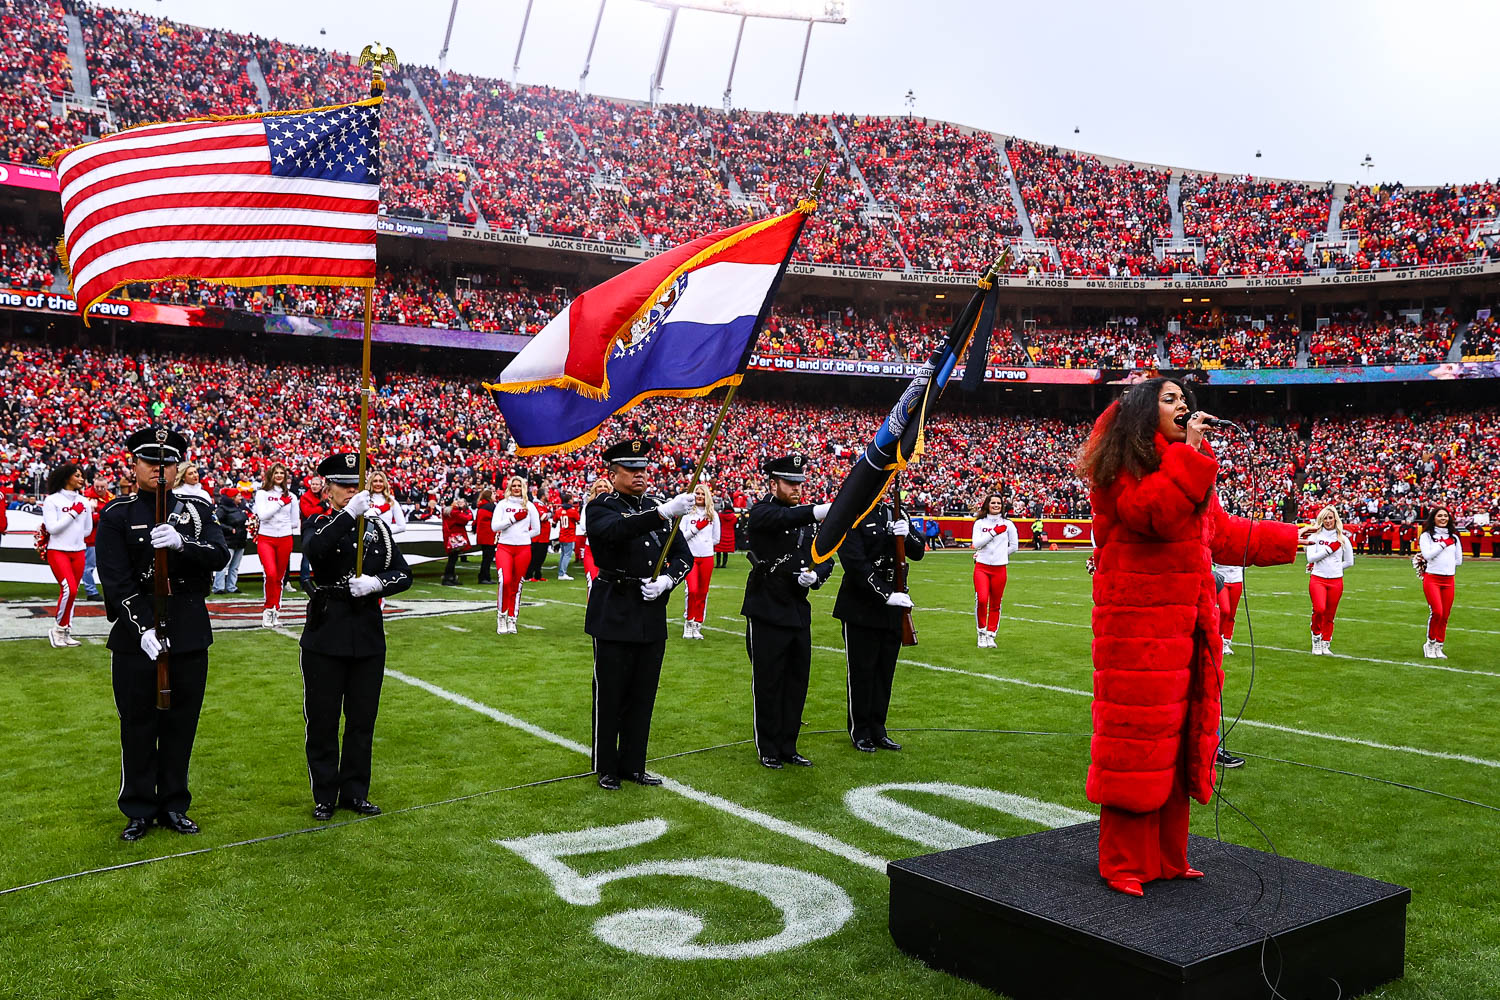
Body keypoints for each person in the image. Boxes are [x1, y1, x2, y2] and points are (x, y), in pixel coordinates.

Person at [1077, 378, 1305, 896]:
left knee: (1179, 743)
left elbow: (1218, 534)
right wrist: (1192, 454)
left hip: (1186, 626)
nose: (1184, 407)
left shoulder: (1186, 465)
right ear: (1142, 412)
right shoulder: (1120, 467)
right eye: (1170, 399)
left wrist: (1293, 537)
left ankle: (1166, 859)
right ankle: (1123, 863)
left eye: (1185, 399)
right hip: (1138, 633)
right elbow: (1151, 515)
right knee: (1137, 746)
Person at [96, 428, 229, 841]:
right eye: (150, 461)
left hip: (188, 629)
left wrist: (182, 545)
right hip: (138, 636)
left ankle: (173, 804)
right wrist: (143, 626)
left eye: (167, 462)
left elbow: (219, 554)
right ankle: (137, 807)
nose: (159, 468)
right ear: (133, 465)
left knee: (180, 725)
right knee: (137, 724)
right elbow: (115, 580)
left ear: (177, 468)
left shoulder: (196, 511)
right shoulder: (117, 514)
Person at [300, 452, 412, 820]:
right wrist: (348, 515)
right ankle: (324, 794)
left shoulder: (377, 528)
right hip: (327, 631)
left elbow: (403, 573)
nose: (351, 492)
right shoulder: (319, 521)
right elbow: (316, 552)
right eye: (344, 487)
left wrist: (378, 583)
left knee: (362, 719)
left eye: (355, 486)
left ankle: (355, 791)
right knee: (323, 719)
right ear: (327, 489)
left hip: (366, 634)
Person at [583, 438, 694, 789]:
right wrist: (661, 514)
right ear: (612, 474)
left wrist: (667, 581)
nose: (639, 475)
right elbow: (616, 531)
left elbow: (683, 556)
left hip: (649, 610)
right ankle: (606, 766)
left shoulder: (658, 506)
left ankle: (634, 764)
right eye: (630, 470)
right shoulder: (601, 506)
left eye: (643, 469)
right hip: (615, 606)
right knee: (611, 692)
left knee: (643, 693)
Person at [741, 454, 833, 769]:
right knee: (768, 681)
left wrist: (816, 575)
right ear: (773, 483)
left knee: (796, 682)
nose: (796, 488)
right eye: (790, 483)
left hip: (796, 607)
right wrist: (816, 512)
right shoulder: (762, 511)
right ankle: (768, 747)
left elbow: (826, 554)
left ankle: (788, 745)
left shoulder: (803, 516)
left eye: (799, 483)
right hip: (766, 606)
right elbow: (780, 520)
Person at [834, 490, 925, 753]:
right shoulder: (854, 515)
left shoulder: (895, 512)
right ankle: (860, 730)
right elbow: (854, 563)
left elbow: (918, 552)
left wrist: (907, 533)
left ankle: (878, 728)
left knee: (885, 672)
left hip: (894, 605)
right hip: (861, 605)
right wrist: (886, 595)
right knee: (862, 672)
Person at [42, 462, 91, 648]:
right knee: (69, 589)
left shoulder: (84, 501)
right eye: (77, 475)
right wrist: (72, 513)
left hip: (78, 551)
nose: (81, 479)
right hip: (58, 550)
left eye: (82, 476)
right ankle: (58, 630)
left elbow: (87, 530)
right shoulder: (52, 500)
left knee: (73, 592)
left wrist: (76, 515)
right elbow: (52, 528)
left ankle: (66, 630)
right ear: (66, 477)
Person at [492, 475, 540, 634]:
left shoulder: (530, 506)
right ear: (509, 487)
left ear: (523, 488)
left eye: (519, 485)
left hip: (523, 549)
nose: (517, 488)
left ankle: (512, 618)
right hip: (505, 547)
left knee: (517, 584)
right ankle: (501, 616)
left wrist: (523, 536)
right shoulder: (502, 505)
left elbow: (536, 529)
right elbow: (495, 526)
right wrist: (512, 519)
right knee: (504, 581)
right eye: (514, 485)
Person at [253, 462, 299, 628]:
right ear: (270, 475)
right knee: (270, 574)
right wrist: (280, 503)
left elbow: (295, 522)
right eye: (276, 473)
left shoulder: (292, 497)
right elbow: (263, 515)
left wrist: (283, 518)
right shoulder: (262, 494)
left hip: (285, 537)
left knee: (279, 577)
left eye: (282, 473)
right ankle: (267, 609)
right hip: (266, 537)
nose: (279, 475)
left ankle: (275, 610)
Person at [1306, 504, 1355, 655]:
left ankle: (1326, 642)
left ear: (1335, 519)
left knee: (1330, 614)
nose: (1328, 521)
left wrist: (1335, 568)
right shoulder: (1315, 537)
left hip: (1336, 581)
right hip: (1318, 579)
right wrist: (1328, 550)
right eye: (1325, 518)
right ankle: (1316, 637)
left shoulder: (1343, 539)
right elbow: (1310, 558)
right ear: (1321, 520)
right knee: (1319, 609)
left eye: (1330, 518)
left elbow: (1349, 561)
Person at [971, 492, 1018, 648]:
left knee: (996, 603)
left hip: (1000, 568)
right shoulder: (979, 523)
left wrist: (1000, 556)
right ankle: (981, 633)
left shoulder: (1009, 524)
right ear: (987, 505)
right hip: (982, 567)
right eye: (993, 503)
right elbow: (977, 544)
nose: (996, 505)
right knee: (982, 599)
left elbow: (1014, 546)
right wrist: (993, 532)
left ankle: (991, 634)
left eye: (999, 503)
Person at [1417, 505, 1461, 660]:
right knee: (1437, 612)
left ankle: (1439, 646)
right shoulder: (1427, 536)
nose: (1443, 518)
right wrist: (1443, 544)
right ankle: (1429, 643)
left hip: (1449, 579)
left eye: (1445, 516)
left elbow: (1459, 560)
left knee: (1445, 615)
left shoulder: (1454, 537)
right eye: (1440, 516)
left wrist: (1447, 565)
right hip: (1432, 578)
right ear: (1433, 518)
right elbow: (1427, 555)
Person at [679, 482, 721, 640]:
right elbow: (682, 537)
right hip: (691, 557)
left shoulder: (713, 515)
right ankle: (688, 622)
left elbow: (716, 538)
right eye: (697, 493)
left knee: (703, 592)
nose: (700, 497)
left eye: (703, 494)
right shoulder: (687, 514)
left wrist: (705, 544)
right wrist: (696, 529)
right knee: (692, 590)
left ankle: (697, 624)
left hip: (707, 557)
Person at [81, 469, 114, 601]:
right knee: (88, 567)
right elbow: (86, 520)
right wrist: (98, 516)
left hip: (107, 539)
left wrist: (96, 513)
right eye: (97, 487)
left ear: (107, 487)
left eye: (102, 487)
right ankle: (91, 591)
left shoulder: (110, 498)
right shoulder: (86, 498)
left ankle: (109, 590)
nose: (99, 489)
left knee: (109, 566)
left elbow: (111, 518)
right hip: (92, 539)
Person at [213, 487, 250, 594]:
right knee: (225, 564)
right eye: (238, 496)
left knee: (235, 566)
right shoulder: (222, 509)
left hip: (240, 540)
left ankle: (231, 586)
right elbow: (216, 521)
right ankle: (218, 587)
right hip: (228, 541)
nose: (241, 497)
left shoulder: (241, 508)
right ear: (232, 498)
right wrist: (229, 529)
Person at [296, 474, 328, 594]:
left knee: (323, 555)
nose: (314, 486)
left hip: (323, 528)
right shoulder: (305, 497)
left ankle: (322, 579)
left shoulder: (325, 495)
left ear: (321, 486)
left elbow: (330, 511)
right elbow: (309, 513)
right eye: (313, 484)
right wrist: (322, 507)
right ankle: (304, 579)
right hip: (309, 529)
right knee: (307, 556)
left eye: (317, 484)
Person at [576, 477, 610, 586]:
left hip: (609, 550)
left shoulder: (615, 505)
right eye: (599, 486)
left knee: (609, 585)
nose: (602, 488)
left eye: (605, 486)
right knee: (592, 581)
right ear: (595, 489)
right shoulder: (588, 506)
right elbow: (583, 525)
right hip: (591, 549)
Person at [441, 494, 474, 586]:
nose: (457, 503)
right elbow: (465, 519)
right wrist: (465, 511)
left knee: (452, 558)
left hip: (450, 536)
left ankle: (451, 577)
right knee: (452, 559)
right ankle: (448, 577)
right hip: (455, 537)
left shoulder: (447, 511)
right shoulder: (455, 512)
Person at [1212, 561, 1243, 656]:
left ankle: (1226, 642)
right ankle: (1218, 637)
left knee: (1232, 614)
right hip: (1222, 579)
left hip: (1237, 580)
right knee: (1225, 610)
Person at [366, 470, 407, 536]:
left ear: (384, 483)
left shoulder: (392, 502)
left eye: (381, 481)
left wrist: (383, 533)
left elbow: (402, 526)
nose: (378, 484)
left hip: (385, 542)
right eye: (375, 481)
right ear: (371, 483)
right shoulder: (364, 499)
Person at [527, 488, 552, 582]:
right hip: (538, 537)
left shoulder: (542, 505)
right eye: (547, 493)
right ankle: (528, 575)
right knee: (535, 557)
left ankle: (537, 574)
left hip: (544, 537)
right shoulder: (536, 505)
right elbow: (543, 517)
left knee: (541, 557)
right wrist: (550, 514)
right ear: (542, 496)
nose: (549, 495)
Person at [475, 487, 497, 585]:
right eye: (493, 494)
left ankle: (484, 576)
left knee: (486, 557)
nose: (495, 496)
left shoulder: (481, 506)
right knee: (488, 558)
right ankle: (484, 577)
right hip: (489, 535)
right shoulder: (490, 506)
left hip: (484, 535)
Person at [555, 493, 580, 581]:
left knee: (563, 555)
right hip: (569, 535)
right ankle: (562, 573)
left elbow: (554, 521)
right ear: (569, 500)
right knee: (567, 555)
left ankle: (560, 572)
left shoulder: (559, 510)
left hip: (562, 534)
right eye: (572, 499)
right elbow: (578, 520)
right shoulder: (573, 511)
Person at [715, 504, 737, 569]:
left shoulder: (720, 516)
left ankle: (718, 564)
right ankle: (724, 564)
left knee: (718, 551)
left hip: (721, 533)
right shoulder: (734, 517)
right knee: (726, 551)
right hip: (730, 534)